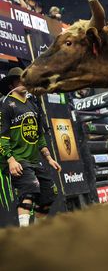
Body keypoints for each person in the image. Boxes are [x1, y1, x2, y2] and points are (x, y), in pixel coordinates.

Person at [0, 68, 62, 227]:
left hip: (34, 160)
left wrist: (48, 158)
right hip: (16, 158)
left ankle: (37, 233)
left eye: (25, 80)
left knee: (49, 195)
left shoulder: (33, 104)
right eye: (19, 80)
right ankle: (25, 235)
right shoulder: (6, 105)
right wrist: (11, 160)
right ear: (11, 84)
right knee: (30, 189)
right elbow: (2, 137)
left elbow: (39, 135)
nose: (23, 83)